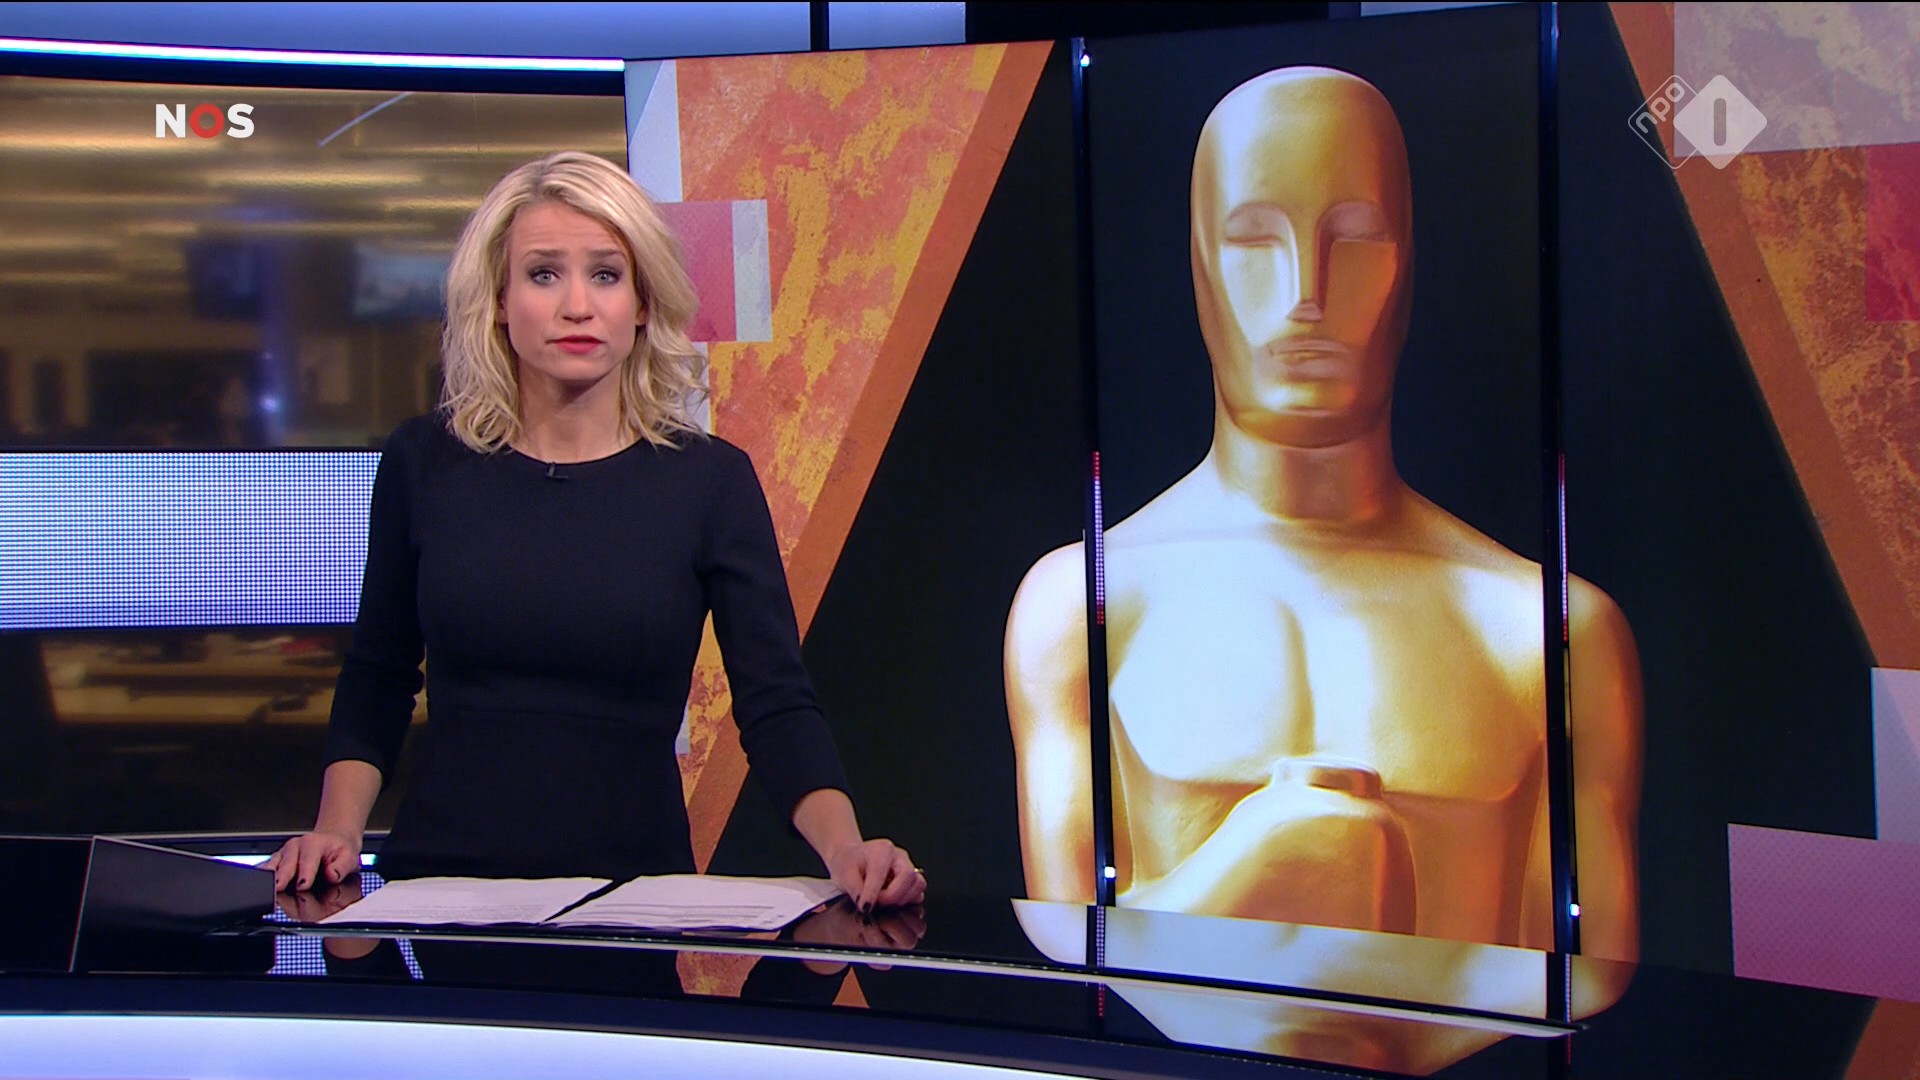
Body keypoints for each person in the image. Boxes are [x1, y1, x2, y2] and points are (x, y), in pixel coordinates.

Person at [1006, 67, 1640, 974]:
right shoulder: (1085, 608)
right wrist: (1262, 865)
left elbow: (1593, 981)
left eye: (1355, 236)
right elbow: (1070, 956)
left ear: (1409, 261)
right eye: (1254, 239)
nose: (1306, 290)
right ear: (1199, 264)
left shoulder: (1546, 635)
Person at [269, 151, 925, 917]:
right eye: (544, 274)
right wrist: (336, 831)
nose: (577, 305)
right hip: (442, 898)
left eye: (606, 275)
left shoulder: (709, 482)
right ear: (499, 301)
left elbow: (774, 702)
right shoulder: (424, 462)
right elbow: (380, 675)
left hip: (633, 903)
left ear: (642, 302)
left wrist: (846, 850)